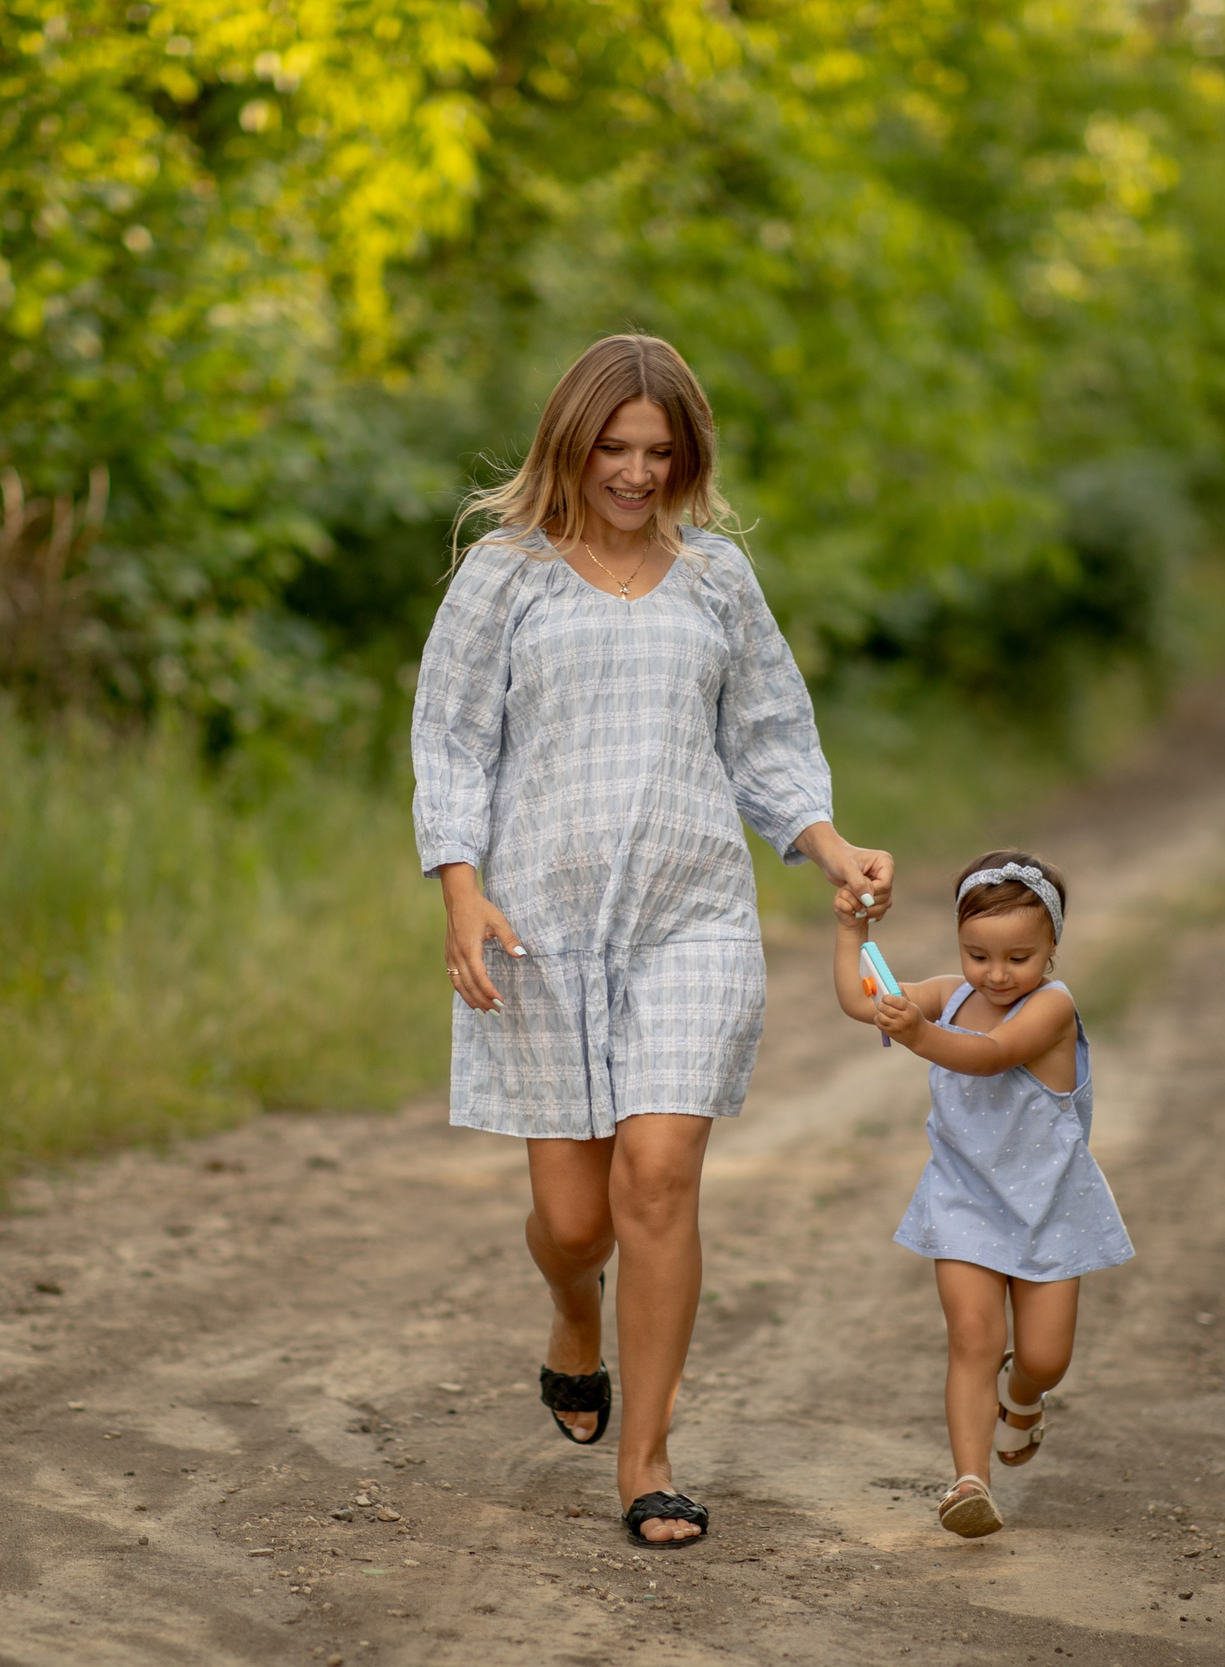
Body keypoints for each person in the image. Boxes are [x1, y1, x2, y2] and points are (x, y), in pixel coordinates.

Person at [411, 333, 894, 1548]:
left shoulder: (718, 578)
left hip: (691, 919)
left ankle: (650, 1460)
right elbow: (453, 743)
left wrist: (829, 846)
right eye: (612, 450)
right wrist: (460, 893)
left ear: (688, 458)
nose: (632, 474)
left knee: (659, 1180)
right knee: (577, 1226)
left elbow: (771, 735)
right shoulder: (504, 576)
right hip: (540, 928)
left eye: (657, 453)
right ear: (568, 445)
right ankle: (573, 1315)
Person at [831, 848, 1132, 1537]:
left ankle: (1023, 1398)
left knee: (1045, 1356)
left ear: (1053, 948)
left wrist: (917, 1035)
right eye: (977, 954)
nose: (996, 974)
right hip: (964, 1195)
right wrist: (853, 931)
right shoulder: (950, 994)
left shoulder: (1052, 1007)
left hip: (1049, 1205)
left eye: (1018, 957)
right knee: (972, 1335)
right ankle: (970, 1481)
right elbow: (860, 997)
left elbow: (991, 1055)